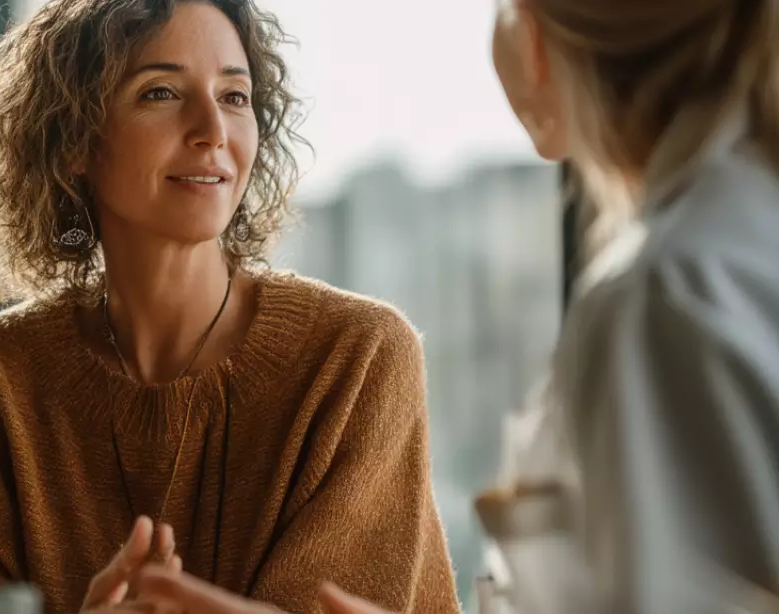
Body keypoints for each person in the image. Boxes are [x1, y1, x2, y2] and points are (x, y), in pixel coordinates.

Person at [131, 0, 779, 612]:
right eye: (159, 92)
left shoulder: (664, 294)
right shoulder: (714, 258)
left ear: (532, 31)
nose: (211, 129)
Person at [0, 1, 461, 614]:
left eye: (235, 96)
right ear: (75, 137)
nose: (213, 128)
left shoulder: (358, 357)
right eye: (161, 92)